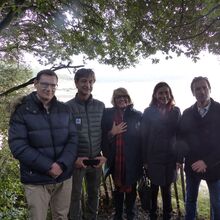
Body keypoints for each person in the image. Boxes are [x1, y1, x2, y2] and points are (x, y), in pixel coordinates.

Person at [8, 69, 78, 220]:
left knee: (61, 216)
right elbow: (18, 146)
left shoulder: (65, 109)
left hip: (63, 176)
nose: (49, 89)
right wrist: (48, 166)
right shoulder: (21, 110)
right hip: (36, 178)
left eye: (53, 85)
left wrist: (62, 164)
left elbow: (73, 140)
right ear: (35, 84)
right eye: (45, 84)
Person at [177, 76, 220, 220]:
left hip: (215, 166)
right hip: (192, 166)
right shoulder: (187, 113)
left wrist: (206, 161)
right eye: (197, 89)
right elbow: (181, 139)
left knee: (217, 205)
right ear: (193, 93)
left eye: (204, 87)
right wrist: (179, 160)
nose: (201, 91)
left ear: (210, 89)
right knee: (190, 201)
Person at [66, 68, 106, 220]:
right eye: (84, 81)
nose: (87, 85)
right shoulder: (67, 107)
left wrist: (104, 156)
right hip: (77, 161)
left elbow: (105, 131)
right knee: (74, 195)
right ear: (76, 83)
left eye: (90, 81)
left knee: (94, 193)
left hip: (96, 159)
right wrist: (73, 158)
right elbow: (65, 136)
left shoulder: (100, 106)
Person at [141, 82, 181, 220]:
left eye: (166, 92)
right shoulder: (148, 112)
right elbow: (144, 136)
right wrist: (145, 160)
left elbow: (179, 136)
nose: (164, 95)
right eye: (160, 93)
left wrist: (179, 159)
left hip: (170, 157)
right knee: (153, 189)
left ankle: (167, 215)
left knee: (166, 190)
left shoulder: (176, 111)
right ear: (155, 95)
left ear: (170, 94)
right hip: (153, 157)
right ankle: (152, 215)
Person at [101, 87, 142, 220]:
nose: (122, 99)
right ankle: (118, 215)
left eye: (124, 96)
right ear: (114, 99)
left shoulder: (137, 115)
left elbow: (142, 138)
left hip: (132, 160)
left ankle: (130, 214)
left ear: (128, 98)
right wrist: (113, 132)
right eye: (118, 97)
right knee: (118, 188)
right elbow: (102, 136)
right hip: (115, 159)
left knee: (131, 189)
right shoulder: (107, 114)